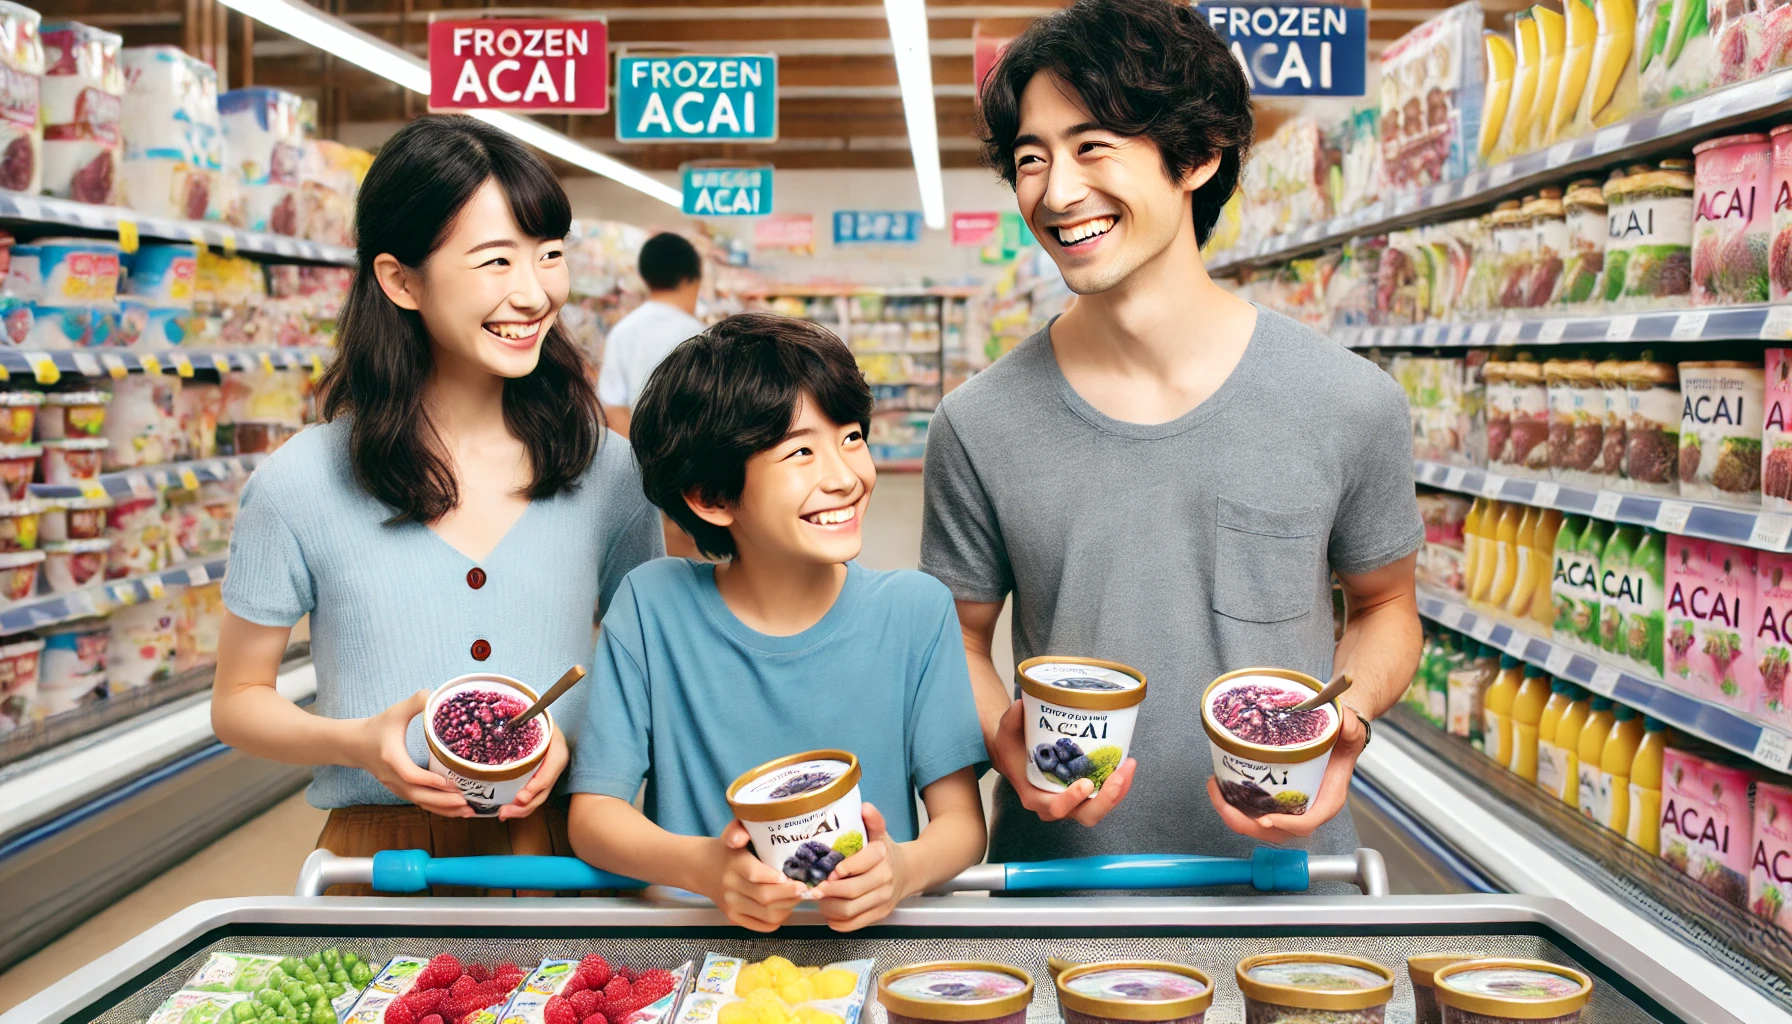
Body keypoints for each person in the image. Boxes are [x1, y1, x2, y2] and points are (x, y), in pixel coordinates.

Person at [921, 0, 1423, 871]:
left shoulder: (1348, 401)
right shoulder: (979, 422)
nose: (1057, 190)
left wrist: (1353, 713)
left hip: (1288, 890)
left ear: (1196, 156)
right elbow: (957, 638)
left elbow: (1385, 607)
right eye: (1030, 158)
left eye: (1092, 147)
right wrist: (1003, 740)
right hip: (1057, 895)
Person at [212, 115, 663, 891]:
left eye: (549, 255)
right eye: (495, 261)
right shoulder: (300, 483)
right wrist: (357, 741)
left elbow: (645, 666)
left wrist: (575, 736)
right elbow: (238, 700)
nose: (534, 292)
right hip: (375, 860)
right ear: (401, 280)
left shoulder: (608, 470)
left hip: (565, 847)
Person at [568, 312, 988, 932]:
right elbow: (595, 816)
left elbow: (961, 825)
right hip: (699, 966)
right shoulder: (650, 608)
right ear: (713, 496)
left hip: (873, 957)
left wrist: (905, 868)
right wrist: (704, 867)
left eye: (850, 437)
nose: (845, 476)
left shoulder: (916, 612)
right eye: (800, 452)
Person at [597, 232, 705, 439]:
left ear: (645, 276)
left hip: (635, 455)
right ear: (689, 279)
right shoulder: (700, 336)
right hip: (689, 459)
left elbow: (613, 407)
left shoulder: (622, 332)